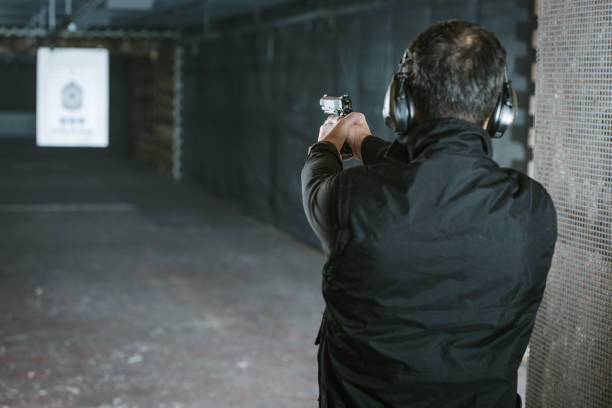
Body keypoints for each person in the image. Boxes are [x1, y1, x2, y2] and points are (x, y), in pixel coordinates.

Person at [301, 20, 557, 408]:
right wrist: (363, 142)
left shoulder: (352, 199)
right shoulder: (533, 207)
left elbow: (316, 183)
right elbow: (442, 169)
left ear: (401, 104)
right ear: (501, 110)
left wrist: (328, 145)